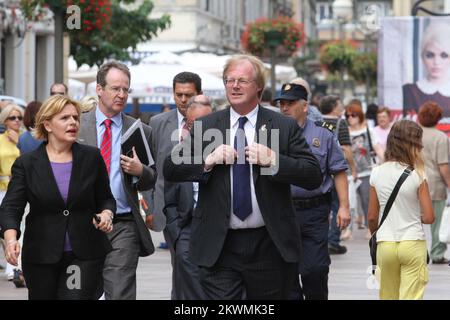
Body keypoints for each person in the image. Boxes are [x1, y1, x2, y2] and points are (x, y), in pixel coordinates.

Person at [163, 54, 323, 299]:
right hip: (220, 244)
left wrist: (274, 160)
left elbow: (313, 175)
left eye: (242, 81)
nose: (234, 86)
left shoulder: (282, 126)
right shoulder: (207, 125)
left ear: (258, 86)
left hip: (268, 244)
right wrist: (208, 161)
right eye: (229, 80)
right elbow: (171, 168)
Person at [0, 94, 116, 299]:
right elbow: (11, 207)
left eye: (75, 118)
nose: (73, 122)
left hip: (83, 254)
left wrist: (106, 214)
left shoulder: (91, 157)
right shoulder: (27, 163)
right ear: (48, 125)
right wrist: (11, 240)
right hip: (41, 255)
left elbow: (106, 198)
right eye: (64, 118)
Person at [78, 61, 157, 300]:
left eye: (126, 89)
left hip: (123, 224)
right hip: (83, 222)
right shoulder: (78, 126)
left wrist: (139, 170)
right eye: (115, 88)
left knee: (120, 291)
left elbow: (151, 179)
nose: (121, 94)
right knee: (80, 289)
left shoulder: (140, 130)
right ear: (99, 89)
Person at [275, 83, 350, 299]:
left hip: (314, 211)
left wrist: (344, 207)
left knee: (314, 270)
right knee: (286, 273)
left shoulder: (322, 134)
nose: (284, 108)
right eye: (282, 104)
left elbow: (339, 171)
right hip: (282, 211)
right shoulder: (271, 135)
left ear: (305, 106)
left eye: (290, 103)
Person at [149, 71, 202, 299]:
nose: (183, 100)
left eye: (188, 95)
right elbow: (150, 168)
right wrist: (150, 207)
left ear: (198, 94)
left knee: (197, 268)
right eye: (178, 94)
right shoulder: (158, 123)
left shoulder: (214, 121)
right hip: (169, 210)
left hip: (203, 208)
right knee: (179, 264)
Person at [368, 120, 434, 300]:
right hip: (412, 242)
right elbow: (429, 217)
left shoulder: (377, 172)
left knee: (388, 296)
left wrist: (377, 234)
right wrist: (412, 216)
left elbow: (372, 217)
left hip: (386, 244)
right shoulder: (418, 173)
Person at [163, 94, 212, 300]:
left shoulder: (227, 151)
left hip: (219, 225)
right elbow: (170, 199)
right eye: (193, 124)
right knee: (190, 288)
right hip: (187, 226)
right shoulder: (178, 155)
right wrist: (176, 232)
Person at [320, 95, 357, 249]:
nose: (342, 107)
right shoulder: (340, 123)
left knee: (321, 205)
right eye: (340, 104)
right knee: (336, 205)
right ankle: (333, 240)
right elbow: (346, 149)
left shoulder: (315, 120)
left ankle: (321, 239)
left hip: (319, 169)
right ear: (334, 107)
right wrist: (353, 169)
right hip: (335, 170)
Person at [417, 102, 450, 264]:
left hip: (413, 182)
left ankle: (418, 253)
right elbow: (443, 165)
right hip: (435, 185)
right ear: (438, 118)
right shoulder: (441, 138)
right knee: (436, 222)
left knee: (415, 222)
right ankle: (437, 254)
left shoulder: (412, 135)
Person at [346, 102, 384, 235]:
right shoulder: (344, 131)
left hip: (367, 171)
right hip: (349, 173)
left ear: (360, 116)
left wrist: (386, 163)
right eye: (348, 115)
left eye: (353, 115)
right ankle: (348, 230)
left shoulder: (368, 130)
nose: (350, 118)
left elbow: (378, 148)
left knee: (367, 201)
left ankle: (370, 228)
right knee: (349, 202)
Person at [403, 22, 450, 119]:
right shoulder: (409, 91)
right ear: (422, 57)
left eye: (444, 55)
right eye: (430, 55)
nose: (436, 62)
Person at [0, 104, 24, 282]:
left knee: (17, 227)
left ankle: (14, 268)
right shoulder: (0, 140)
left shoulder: (25, 139)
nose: (16, 121)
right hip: (1, 187)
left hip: (20, 189)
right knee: (4, 229)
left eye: (19, 118)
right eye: (12, 118)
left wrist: (18, 142)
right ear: (5, 120)